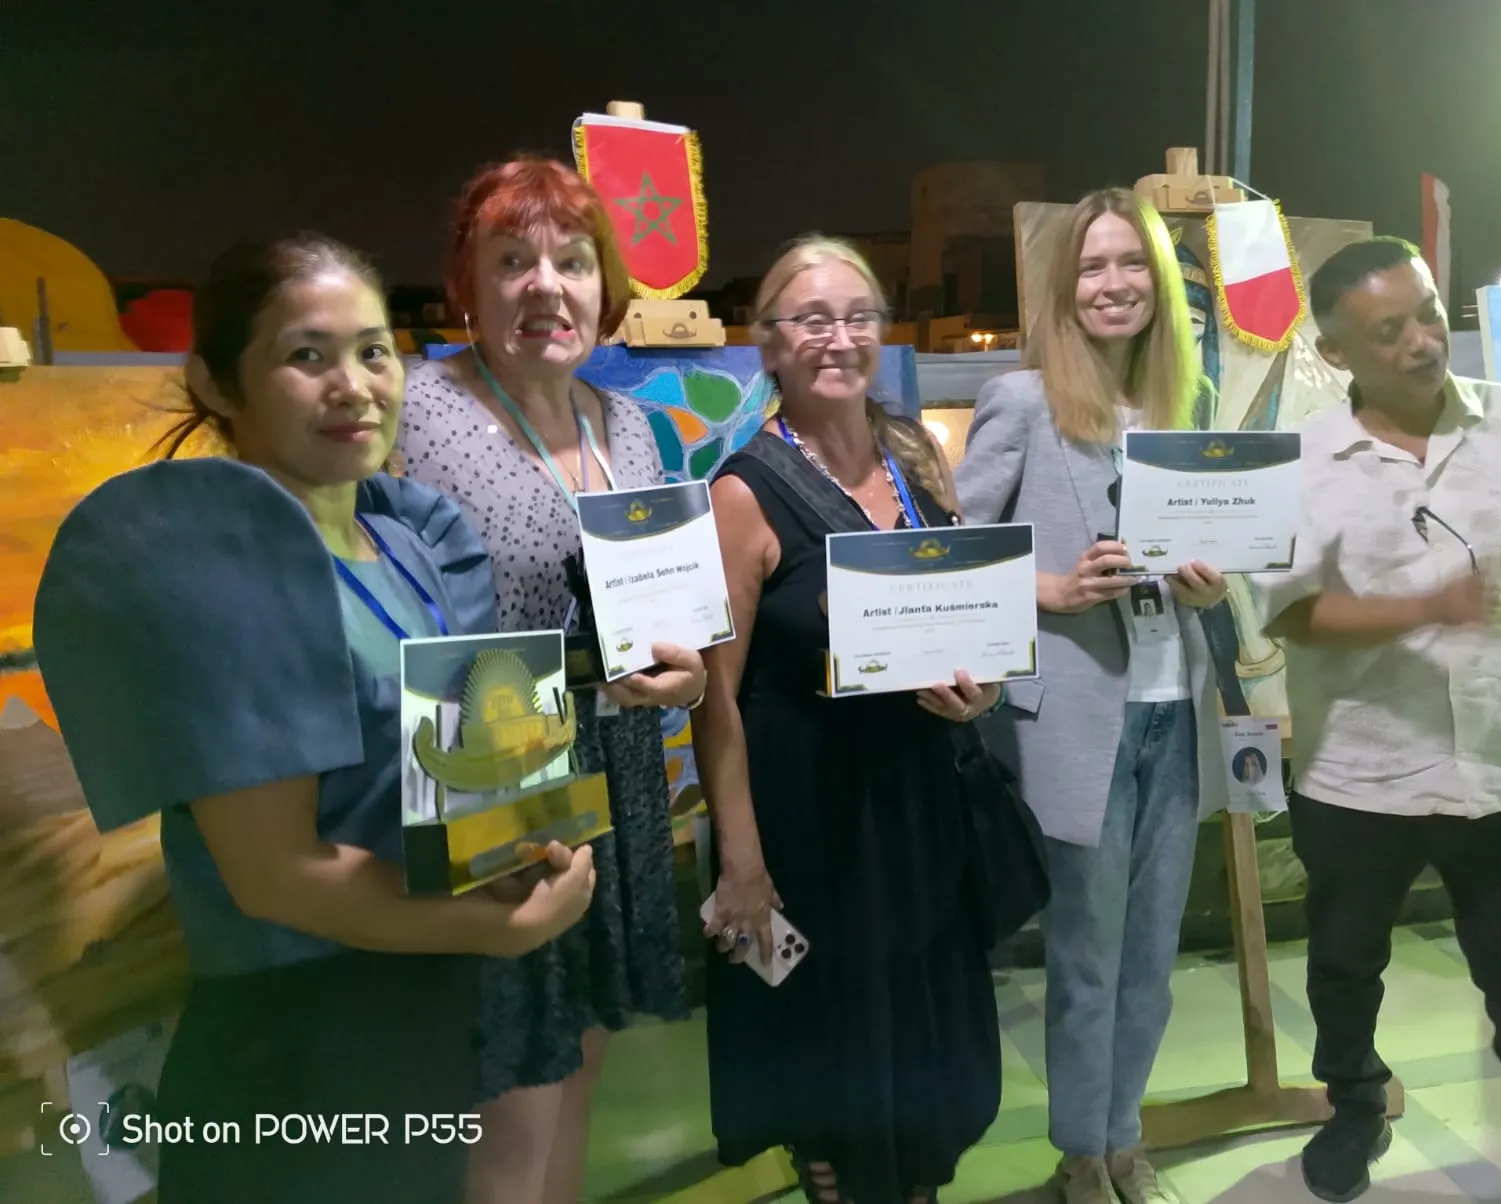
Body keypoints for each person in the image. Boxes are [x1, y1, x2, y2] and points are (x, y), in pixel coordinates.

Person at [32, 233, 597, 1204]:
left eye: (374, 351)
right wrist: (493, 927)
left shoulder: (408, 541)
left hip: (426, 1009)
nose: (354, 387)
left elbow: (464, 777)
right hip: (302, 1041)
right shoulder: (222, 562)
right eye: (306, 355)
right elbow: (275, 876)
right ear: (216, 383)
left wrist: (525, 851)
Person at [1252, 236, 1501, 1204]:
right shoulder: (1301, 461)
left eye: (1428, 315)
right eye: (1387, 331)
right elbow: (1290, 613)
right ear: (1335, 352)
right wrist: (1422, 607)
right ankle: (1356, 1104)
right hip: (1360, 772)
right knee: (1342, 966)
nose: (1420, 342)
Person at [397, 154, 705, 1204]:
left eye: (571, 261)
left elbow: (667, 613)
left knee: (579, 1068)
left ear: (603, 287)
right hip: (491, 769)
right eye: (511, 260)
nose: (545, 285)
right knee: (511, 1100)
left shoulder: (630, 426)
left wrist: (682, 677)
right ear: (467, 285)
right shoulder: (416, 411)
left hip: (616, 763)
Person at [693, 235, 1003, 1204]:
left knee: (924, 1061)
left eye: (858, 316)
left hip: (919, 813)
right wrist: (742, 865)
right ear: (769, 345)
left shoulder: (917, 458)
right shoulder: (742, 494)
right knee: (840, 1083)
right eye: (812, 319)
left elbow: (962, 622)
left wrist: (980, 692)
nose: (839, 338)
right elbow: (715, 696)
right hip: (814, 826)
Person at [953, 188, 1231, 1204]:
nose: (1113, 284)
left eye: (1131, 264)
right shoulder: (1022, 401)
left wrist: (1211, 587)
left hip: (1173, 712)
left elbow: (1220, 550)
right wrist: (1051, 590)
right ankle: (1081, 1149)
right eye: (1091, 267)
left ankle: (1123, 1138)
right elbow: (956, 555)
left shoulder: (1184, 409)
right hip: (1073, 723)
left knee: (1153, 958)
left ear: (1160, 282)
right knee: (1085, 958)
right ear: (1063, 289)